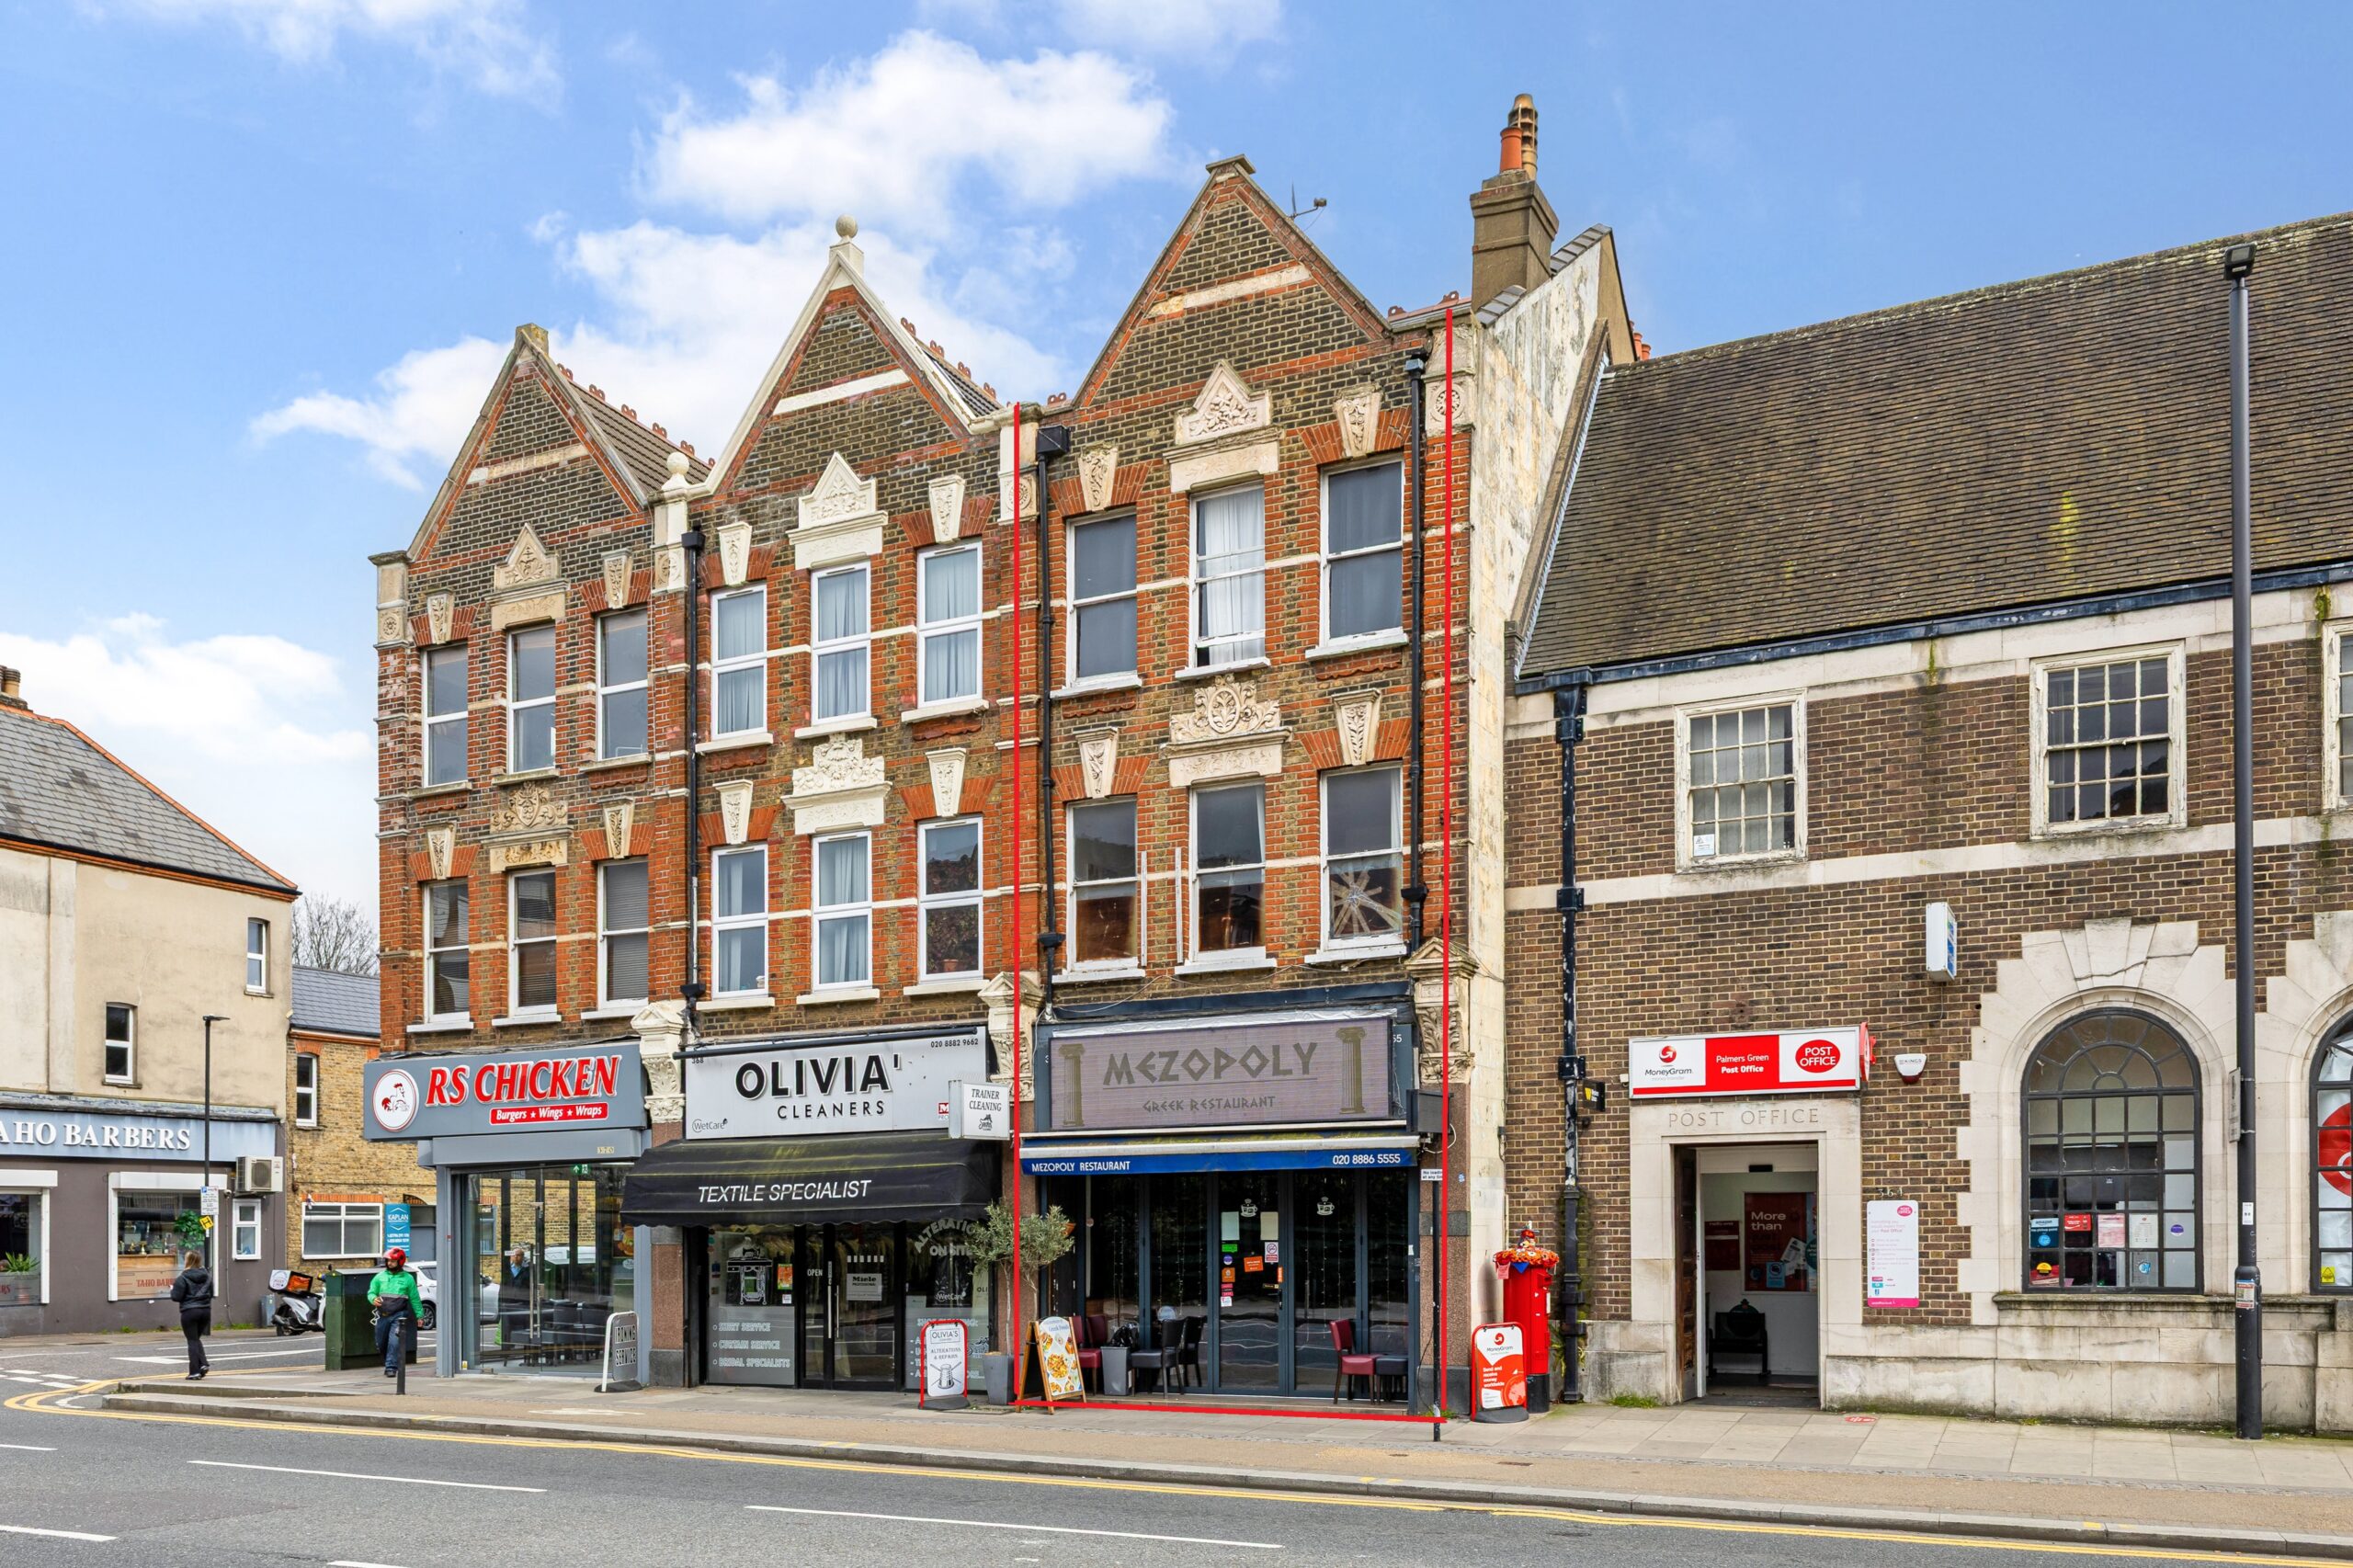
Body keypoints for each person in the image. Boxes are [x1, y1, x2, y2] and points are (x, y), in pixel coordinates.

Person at [367, 1246, 425, 1379]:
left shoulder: (408, 1279)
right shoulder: (379, 1277)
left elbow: (415, 1299)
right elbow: (371, 1292)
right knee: (380, 1343)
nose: (389, 1263)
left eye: (392, 1261)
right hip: (382, 1316)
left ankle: (391, 1368)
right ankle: (389, 1362)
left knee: (394, 1342)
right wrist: (373, 1299)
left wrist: (420, 1316)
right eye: (388, 1261)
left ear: (400, 1262)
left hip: (399, 1316)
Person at [168, 1249, 212, 1380]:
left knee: (192, 1340)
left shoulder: (182, 1278)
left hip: (190, 1311)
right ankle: (203, 1364)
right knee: (196, 1339)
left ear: (187, 1261)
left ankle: (194, 1372)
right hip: (205, 1311)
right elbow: (211, 1293)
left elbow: (176, 1297)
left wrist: (172, 1290)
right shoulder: (207, 1277)